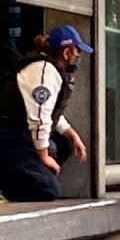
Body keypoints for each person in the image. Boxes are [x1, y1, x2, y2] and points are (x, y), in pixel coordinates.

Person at [0, 26, 90, 201]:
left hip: (20, 136)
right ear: (66, 53)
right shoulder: (44, 70)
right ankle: (8, 183)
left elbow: (50, 111)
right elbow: (39, 116)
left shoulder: (52, 69)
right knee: (47, 190)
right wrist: (44, 156)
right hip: (9, 136)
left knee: (63, 142)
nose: (78, 56)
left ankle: (28, 172)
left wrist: (71, 134)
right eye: (77, 51)